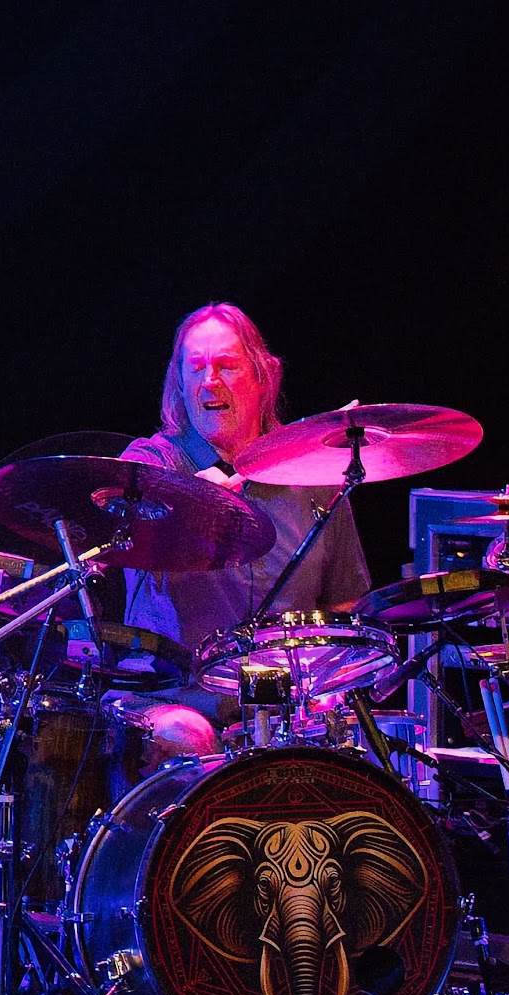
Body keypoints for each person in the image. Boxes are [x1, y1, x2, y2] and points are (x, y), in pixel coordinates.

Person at [115, 304, 371, 757]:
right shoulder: (150, 464)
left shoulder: (316, 476)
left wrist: (333, 692)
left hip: (287, 708)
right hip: (172, 699)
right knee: (187, 737)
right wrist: (187, 499)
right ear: (179, 384)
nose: (209, 381)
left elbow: (343, 605)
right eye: (195, 369)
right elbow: (118, 526)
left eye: (226, 366)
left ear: (262, 378)